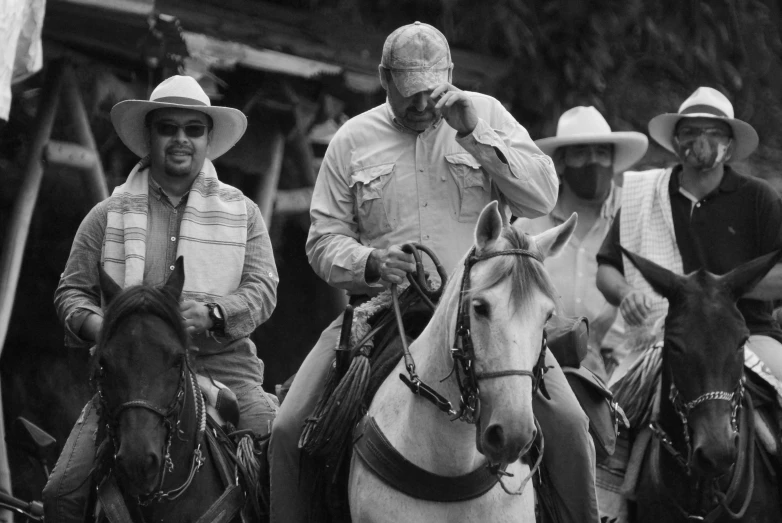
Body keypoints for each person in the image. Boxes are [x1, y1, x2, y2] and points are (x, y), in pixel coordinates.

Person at [269, 21, 600, 523]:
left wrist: (473, 132)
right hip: (385, 309)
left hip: (492, 308)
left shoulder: (484, 114)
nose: (422, 105)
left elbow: (543, 195)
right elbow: (322, 241)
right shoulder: (351, 139)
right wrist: (371, 263)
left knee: (572, 426)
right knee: (288, 427)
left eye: (430, 92)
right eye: (408, 95)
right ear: (383, 79)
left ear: (449, 75)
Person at [44, 75, 279, 522]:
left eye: (193, 129)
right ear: (149, 136)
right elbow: (70, 292)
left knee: (288, 464)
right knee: (62, 494)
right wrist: (111, 330)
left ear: (208, 139)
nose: (180, 139)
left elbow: (263, 289)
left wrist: (213, 313)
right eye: (168, 127)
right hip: (132, 381)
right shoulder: (107, 215)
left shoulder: (244, 214)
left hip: (226, 370)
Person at [596, 86, 782, 377]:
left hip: (748, 334)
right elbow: (606, 269)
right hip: (666, 337)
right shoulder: (644, 194)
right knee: (613, 409)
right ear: (675, 141)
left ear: (730, 146)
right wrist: (626, 293)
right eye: (690, 131)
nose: (701, 141)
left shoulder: (759, 197)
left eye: (714, 133)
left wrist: (720, 290)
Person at [517, 106, 647, 380]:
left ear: (613, 161)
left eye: (601, 153)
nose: (593, 162)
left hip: (629, 367)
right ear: (561, 164)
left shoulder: (639, 215)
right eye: (581, 153)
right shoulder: (529, 227)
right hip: (546, 366)